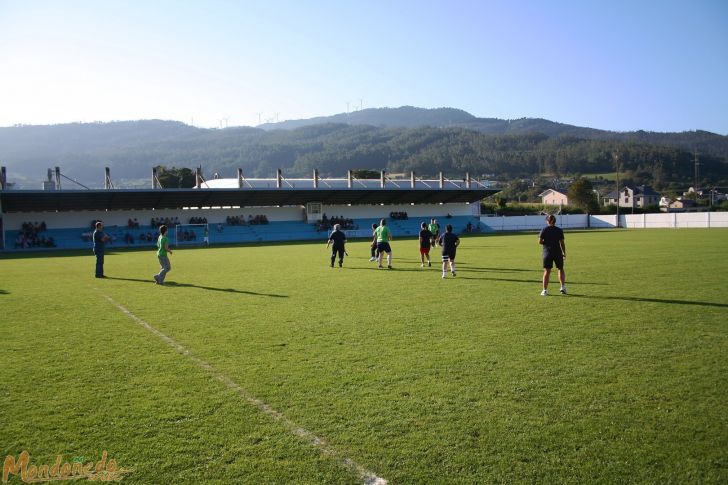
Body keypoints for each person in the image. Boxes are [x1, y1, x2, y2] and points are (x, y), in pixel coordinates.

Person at [538, 214, 566, 296]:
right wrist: (564, 253)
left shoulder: (544, 229)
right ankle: (562, 287)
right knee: (560, 269)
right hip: (558, 252)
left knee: (547, 271)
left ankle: (545, 290)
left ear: (547, 221)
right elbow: (562, 243)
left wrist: (546, 243)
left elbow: (539, 241)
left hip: (547, 252)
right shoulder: (559, 230)